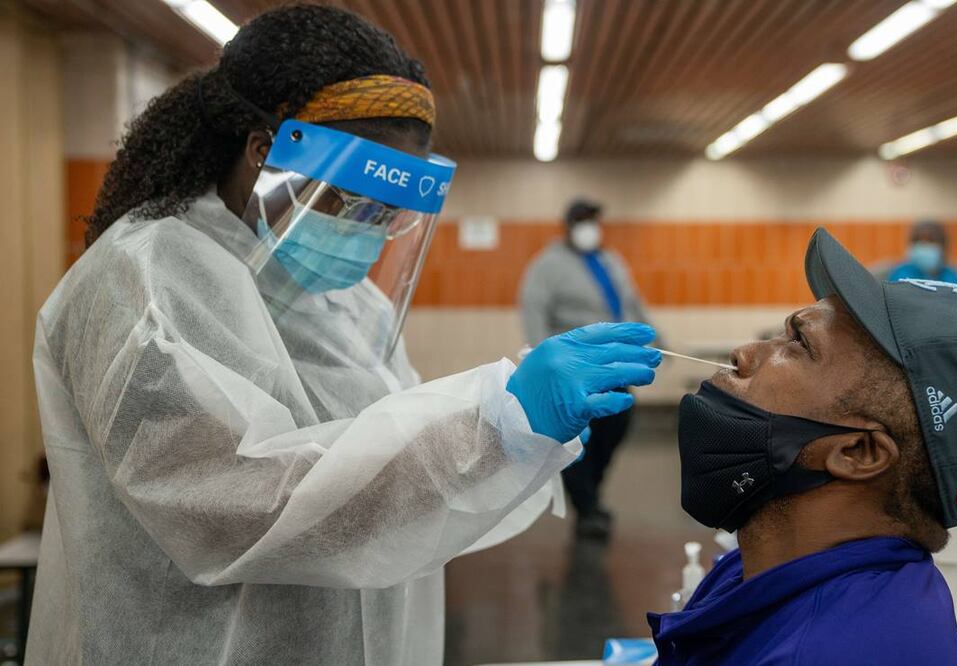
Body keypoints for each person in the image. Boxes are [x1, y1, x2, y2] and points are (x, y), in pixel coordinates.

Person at [27, 6, 660, 665]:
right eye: (354, 201)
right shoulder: (144, 278)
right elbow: (233, 509)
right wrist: (492, 423)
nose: (370, 230)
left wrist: (513, 444)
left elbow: (393, 486)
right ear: (264, 150)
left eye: (389, 214)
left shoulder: (348, 304)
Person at [651, 228, 957, 665]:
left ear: (859, 453)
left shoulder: (825, 652)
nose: (744, 353)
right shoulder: (764, 571)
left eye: (798, 344)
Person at [518, 198, 655, 540]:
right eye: (582, 222)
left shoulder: (610, 261)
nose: (589, 229)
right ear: (568, 226)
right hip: (575, 369)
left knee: (616, 425)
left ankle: (591, 493)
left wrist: (653, 335)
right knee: (578, 436)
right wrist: (542, 361)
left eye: (594, 222)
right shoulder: (548, 265)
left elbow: (631, 300)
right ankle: (587, 507)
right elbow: (533, 310)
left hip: (614, 366)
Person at [878, 219, 957, 291]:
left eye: (930, 241)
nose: (923, 246)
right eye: (918, 241)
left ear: (943, 246)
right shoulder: (888, 273)